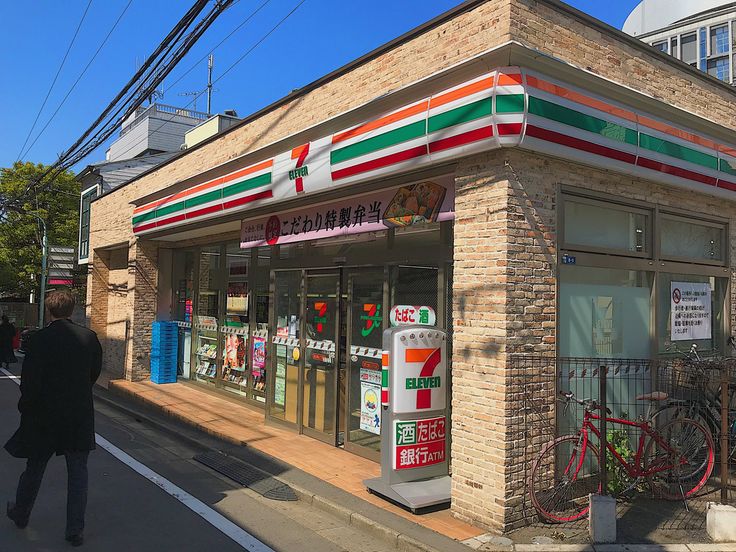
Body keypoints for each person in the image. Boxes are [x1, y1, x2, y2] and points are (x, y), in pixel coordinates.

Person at [4, 289, 102, 547]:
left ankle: (21, 512)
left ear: (49, 310)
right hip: (77, 414)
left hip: (43, 415)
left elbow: (30, 380)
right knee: (78, 472)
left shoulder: (38, 340)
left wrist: (26, 406)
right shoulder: (89, 337)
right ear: (72, 310)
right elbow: (94, 373)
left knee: (34, 468)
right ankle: (74, 530)